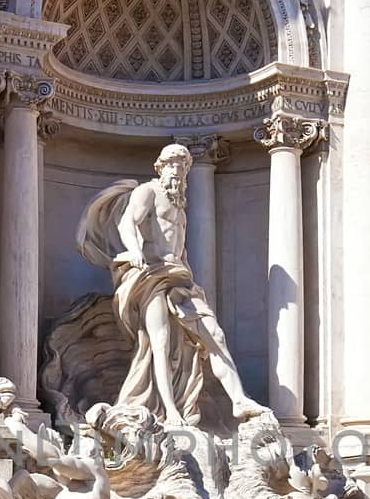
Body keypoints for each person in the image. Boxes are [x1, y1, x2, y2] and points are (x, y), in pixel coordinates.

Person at [77, 143, 265, 427]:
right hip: (151, 275)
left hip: (179, 278)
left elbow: (180, 249)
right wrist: (135, 250)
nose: (178, 172)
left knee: (214, 334)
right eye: (173, 166)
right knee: (160, 344)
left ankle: (238, 399)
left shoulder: (180, 206)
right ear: (161, 167)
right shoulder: (147, 192)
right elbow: (127, 223)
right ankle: (169, 412)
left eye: (183, 167)